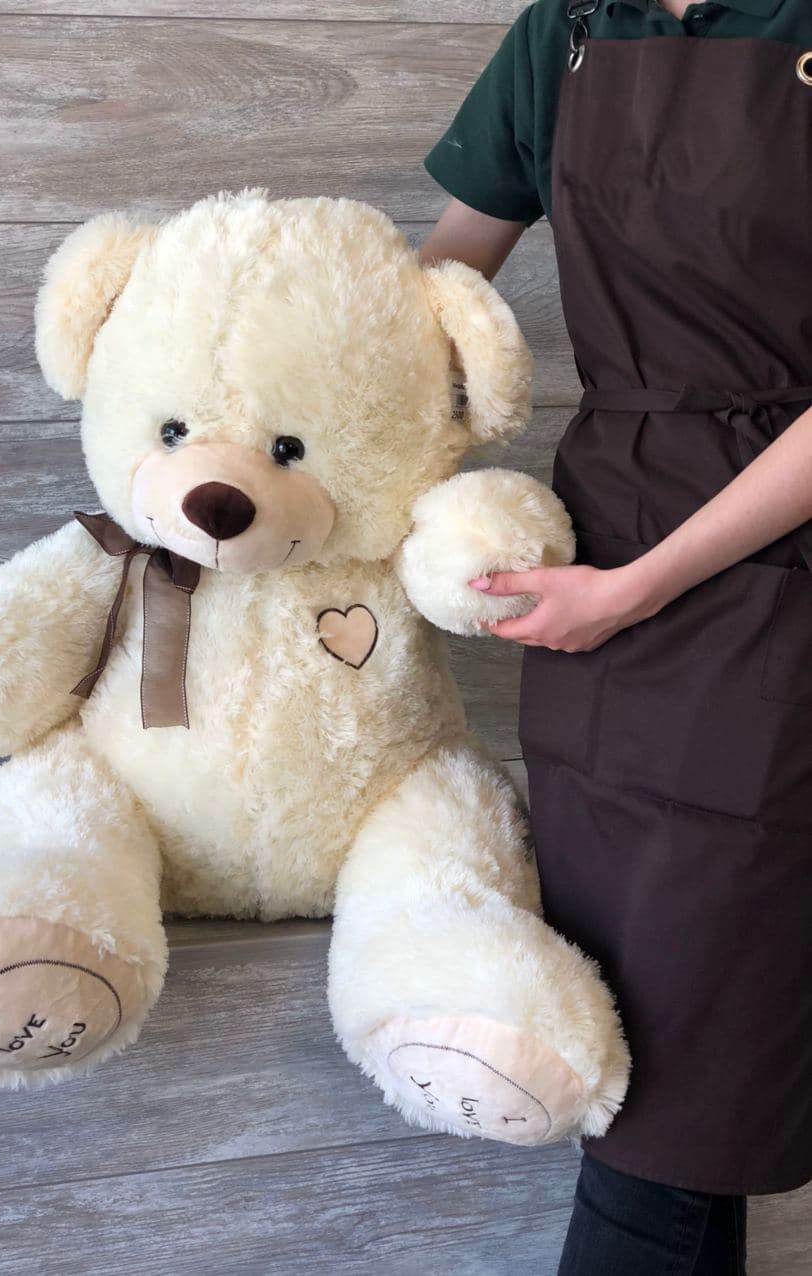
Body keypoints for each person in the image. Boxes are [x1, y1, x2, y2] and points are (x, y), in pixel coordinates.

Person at [418, 1, 812, 1272]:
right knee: (635, 1058)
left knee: (689, 1079)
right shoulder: (567, 28)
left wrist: (638, 587)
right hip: (598, 561)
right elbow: (433, 299)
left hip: (767, 564)